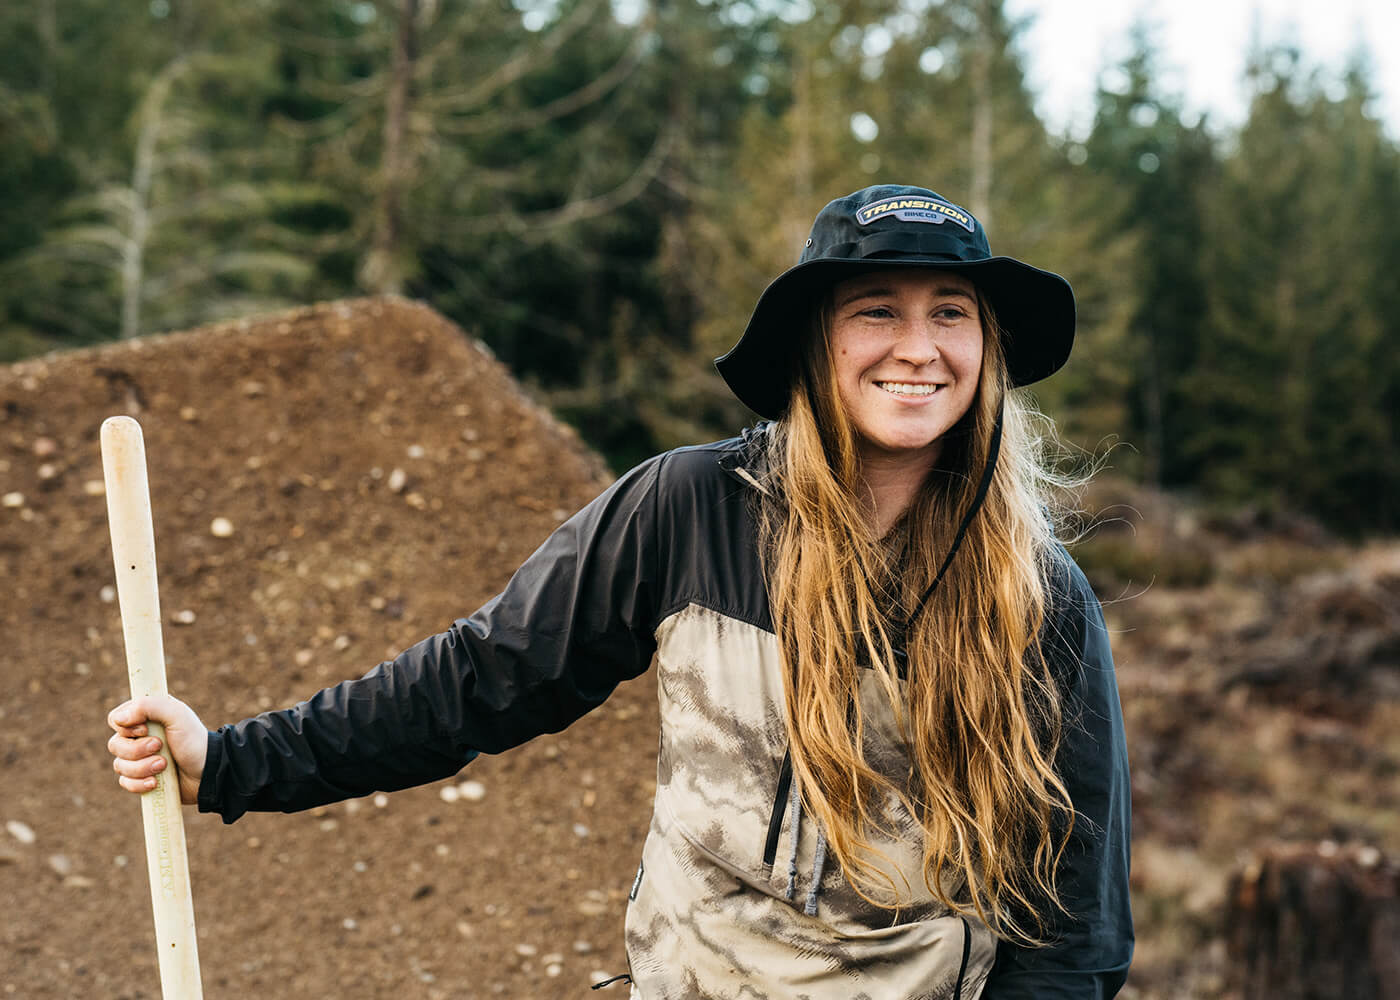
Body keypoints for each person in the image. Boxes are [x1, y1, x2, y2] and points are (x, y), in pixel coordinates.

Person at [108, 183, 1133, 998]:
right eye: (877, 312)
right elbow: (479, 678)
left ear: (985, 351)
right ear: (818, 344)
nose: (917, 347)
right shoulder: (688, 509)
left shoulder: (1035, 598)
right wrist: (237, 761)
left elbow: (1073, 923)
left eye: (949, 314)